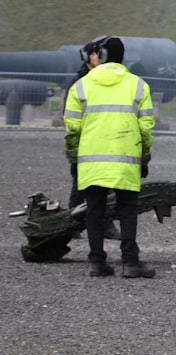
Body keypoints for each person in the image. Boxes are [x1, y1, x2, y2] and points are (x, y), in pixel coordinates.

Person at [64, 37, 156, 278]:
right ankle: (131, 263)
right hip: (126, 160)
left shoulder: (81, 86)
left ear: (100, 56)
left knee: (94, 211)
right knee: (127, 211)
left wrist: (73, 157)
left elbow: (72, 128)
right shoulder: (138, 86)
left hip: (91, 161)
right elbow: (145, 128)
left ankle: (97, 263)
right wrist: (144, 158)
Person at [64, 38, 121, 240]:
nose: (100, 57)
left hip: (105, 140)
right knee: (80, 185)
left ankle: (103, 224)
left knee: (106, 184)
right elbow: (70, 116)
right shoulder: (79, 82)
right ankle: (72, 223)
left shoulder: (101, 79)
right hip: (87, 141)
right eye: (96, 53)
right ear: (87, 57)